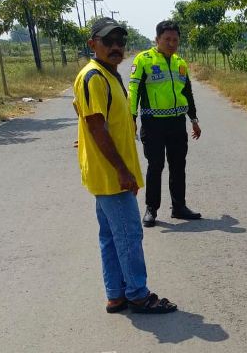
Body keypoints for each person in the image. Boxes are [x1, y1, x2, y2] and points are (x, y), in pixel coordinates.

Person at [73, 17, 177, 314]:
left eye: (120, 42)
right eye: (109, 42)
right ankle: (138, 294)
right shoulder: (94, 76)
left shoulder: (107, 74)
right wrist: (122, 171)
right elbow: (96, 126)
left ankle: (116, 294)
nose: (116, 47)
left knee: (109, 236)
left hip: (105, 173)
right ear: (93, 44)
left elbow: (88, 120)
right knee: (130, 235)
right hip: (111, 175)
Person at [129, 20, 202, 227]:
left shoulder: (180, 63)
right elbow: (134, 90)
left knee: (178, 165)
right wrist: (131, 118)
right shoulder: (144, 60)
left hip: (177, 123)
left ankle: (179, 207)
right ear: (157, 39)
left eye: (175, 40)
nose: (171, 43)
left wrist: (194, 120)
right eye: (167, 39)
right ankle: (151, 209)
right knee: (156, 166)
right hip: (153, 125)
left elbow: (187, 92)